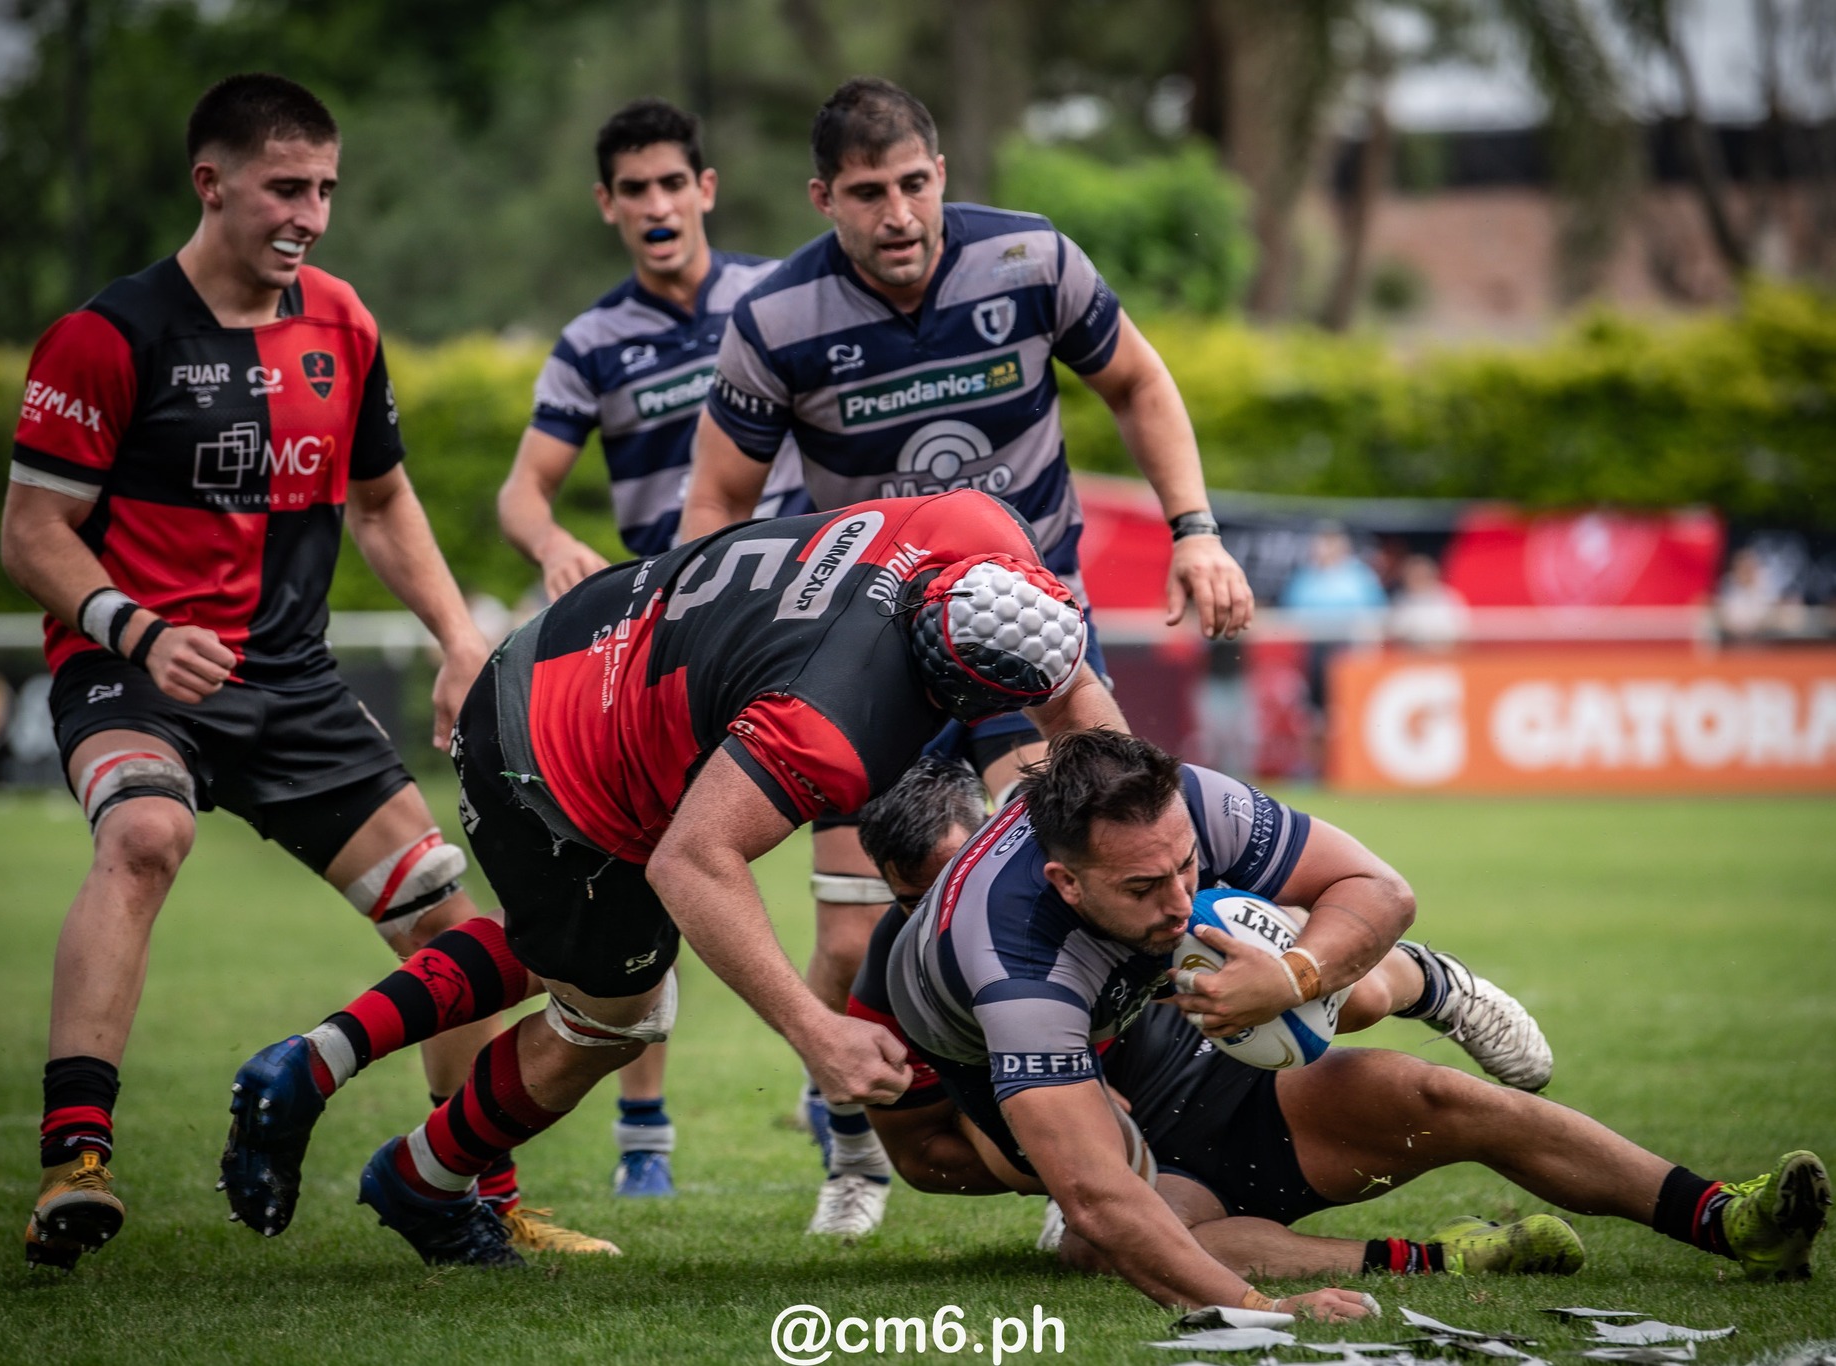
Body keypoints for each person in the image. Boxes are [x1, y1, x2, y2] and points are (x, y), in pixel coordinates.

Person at [0, 74, 604, 1269]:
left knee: (448, 917)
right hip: (135, 672)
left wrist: (458, 637)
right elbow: (30, 534)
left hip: (290, 683)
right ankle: (76, 1160)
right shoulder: (106, 337)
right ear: (210, 182)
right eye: (285, 187)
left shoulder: (340, 322)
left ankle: (470, 1195)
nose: (310, 215)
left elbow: (381, 502)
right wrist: (135, 629)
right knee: (145, 833)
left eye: (324, 189)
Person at [220, 489, 1124, 1267]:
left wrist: (1140, 839)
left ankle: (313, 1063)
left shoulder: (977, 527)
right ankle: (420, 1178)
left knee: (561, 942)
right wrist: (816, 1033)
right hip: (557, 751)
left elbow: (1073, 692)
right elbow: (692, 862)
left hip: (582, 646)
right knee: (619, 1014)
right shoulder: (834, 720)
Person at [678, 75, 1255, 1232]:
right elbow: (714, 508)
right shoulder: (775, 319)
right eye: (865, 194)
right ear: (822, 198)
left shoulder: (1029, 258)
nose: (896, 214)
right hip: (864, 653)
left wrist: (1193, 529)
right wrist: (722, 663)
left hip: (1024, 641)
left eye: (912, 184)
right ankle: (852, 1154)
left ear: (940, 173)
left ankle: (1085, 1154)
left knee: (1070, 891)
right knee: (854, 934)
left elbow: (1136, 380)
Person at [851, 735, 1831, 1308]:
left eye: (1185, 865)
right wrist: (1265, 1314)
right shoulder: (1013, 965)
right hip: (1109, 1113)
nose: (1179, 896)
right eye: (1144, 887)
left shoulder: (1187, 804)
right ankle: (1442, 1257)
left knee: (1432, 1092)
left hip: (1187, 1047)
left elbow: (1380, 888)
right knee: (1108, 1237)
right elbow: (1101, 1195)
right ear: (1065, 881)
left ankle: (1729, 1220)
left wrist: (1293, 975)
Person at [495, 99, 815, 1199]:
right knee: (650, 864)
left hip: (802, 610)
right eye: (634, 189)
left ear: (705, 189)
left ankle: (850, 1094)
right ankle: (643, 1136)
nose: (656, 205)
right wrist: (551, 543)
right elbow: (522, 492)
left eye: (672, 182)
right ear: (607, 206)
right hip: (669, 640)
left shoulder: (774, 297)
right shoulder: (592, 343)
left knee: (868, 856)